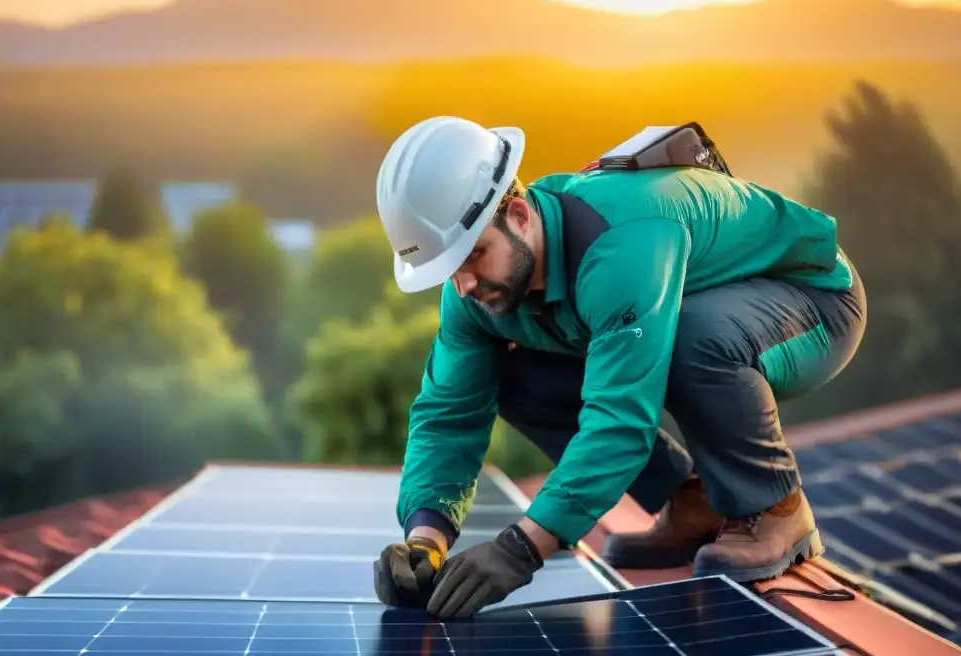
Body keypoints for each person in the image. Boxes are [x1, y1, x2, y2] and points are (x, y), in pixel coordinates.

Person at [371, 115, 866, 620]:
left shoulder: (620, 244)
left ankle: (777, 507)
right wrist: (424, 539)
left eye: (474, 256)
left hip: (814, 303)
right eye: (448, 270)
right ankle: (694, 501)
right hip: (698, 309)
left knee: (690, 337)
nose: (465, 285)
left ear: (518, 215)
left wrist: (521, 548)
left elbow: (620, 420)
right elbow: (449, 412)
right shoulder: (476, 291)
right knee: (517, 376)